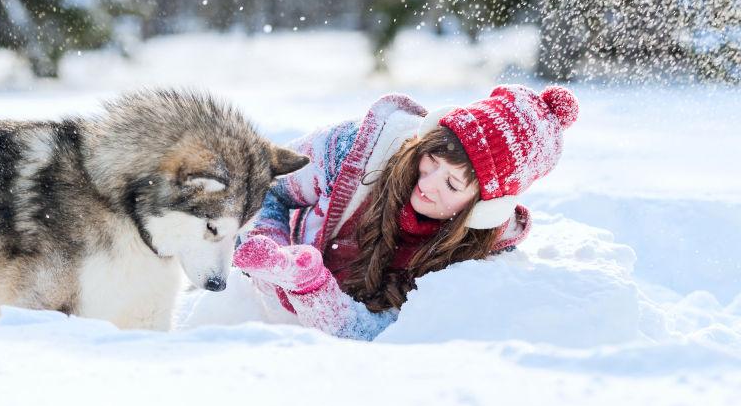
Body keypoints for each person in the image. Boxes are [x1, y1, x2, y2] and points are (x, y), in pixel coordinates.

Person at [232, 84, 579, 340]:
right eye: (431, 159)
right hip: (265, 323)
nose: (427, 184)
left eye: (453, 185)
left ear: (485, 209)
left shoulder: (477, 255)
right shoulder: (355, 150)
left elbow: (390, 337)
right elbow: (263, 183)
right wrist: (269, 247)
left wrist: (312, 288)